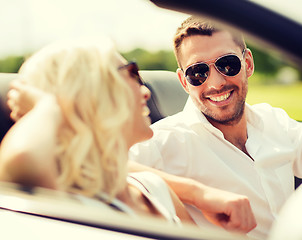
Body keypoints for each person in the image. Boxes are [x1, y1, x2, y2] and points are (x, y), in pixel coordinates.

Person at [129, 16, 302, 239]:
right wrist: (199, 195)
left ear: (247, 63)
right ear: (183, 82)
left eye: (227, 64)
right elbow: (105, 169)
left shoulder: (273, 120)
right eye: (198, 72)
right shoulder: (164, 141)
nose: (216, 83)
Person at [0, 37, 194, 225]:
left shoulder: (154, 187)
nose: (146, 91)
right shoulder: (68, 208)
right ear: (91, 96)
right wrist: (47, 106)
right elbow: (23, 160)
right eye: (131, 73)